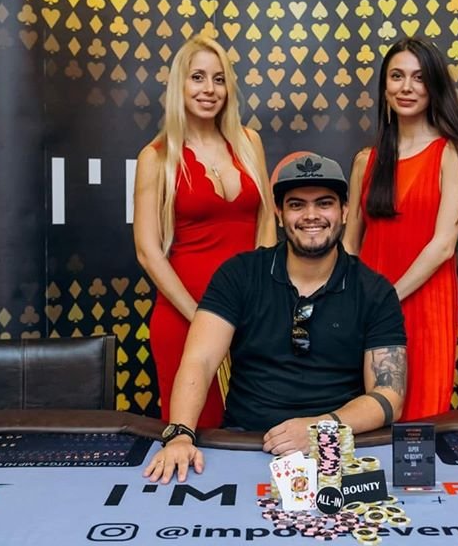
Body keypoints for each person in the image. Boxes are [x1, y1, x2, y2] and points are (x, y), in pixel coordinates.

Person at [143, 153, 407, 484]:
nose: (311, 215)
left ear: (344, 211)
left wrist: (319, 428)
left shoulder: (375, 291)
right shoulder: (239, 274)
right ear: (280, 215)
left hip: (335, 445)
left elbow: (388, 395)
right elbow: (200, 360)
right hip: (245, 441)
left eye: (324, 203)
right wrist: (180, 434)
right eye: (296, 205)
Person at [343, 37, 458, 421]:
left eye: (419, 77)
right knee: (365, 413)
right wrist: (348, 301)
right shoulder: (365, 161)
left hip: (423, 301)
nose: (406, 87)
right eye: (397, 76)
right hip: (367, 301)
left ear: (434, 85)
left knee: (419, 419)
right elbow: (350, 244)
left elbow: (443, 245)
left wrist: (387, 298)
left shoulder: (455, 153)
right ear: (384, 87)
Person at [134, 35, 274, 429]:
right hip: (185, 316)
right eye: (197, 77)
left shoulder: (249, 142)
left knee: (259, 432)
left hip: (250, 316)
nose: (209, 89)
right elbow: (148, 251)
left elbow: (266, 220)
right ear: (179, 84)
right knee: (194, 432)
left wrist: (261, 298)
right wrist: (201, 319)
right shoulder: (156, 157)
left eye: (219, 79)